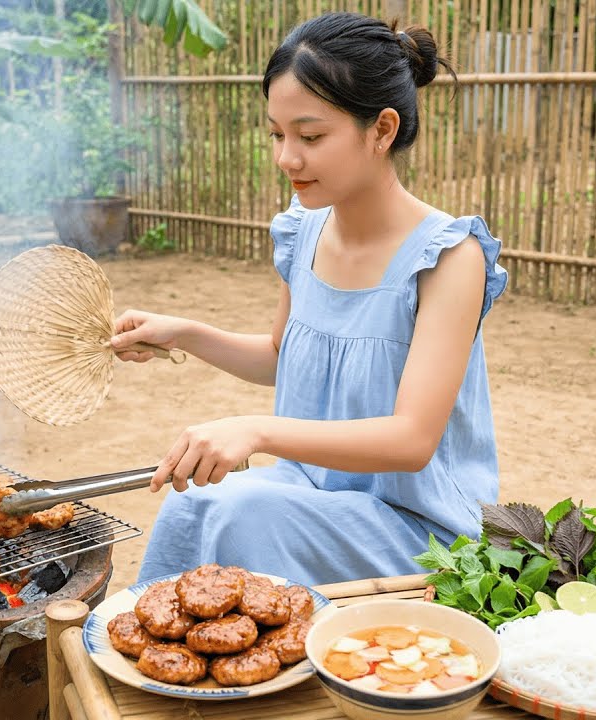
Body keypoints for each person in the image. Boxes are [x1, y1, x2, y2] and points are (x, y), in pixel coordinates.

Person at [110, 11, 509, 586]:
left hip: (419, 531)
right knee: (194, 503)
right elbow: (283, 355)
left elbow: (412, 439)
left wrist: (258, 431)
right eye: (277, 134)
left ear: (382, 130)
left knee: (240, 513)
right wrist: (185, 334)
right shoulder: (306, 230)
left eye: (311, 136)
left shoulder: (448, 257)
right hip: (313, 493)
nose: (286, 158)